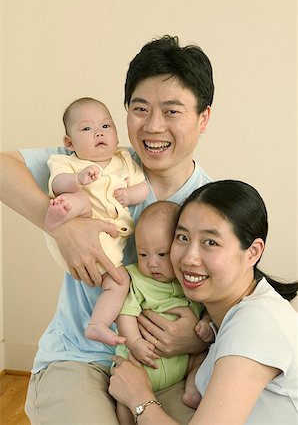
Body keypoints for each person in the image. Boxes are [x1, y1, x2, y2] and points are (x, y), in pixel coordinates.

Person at [0, 35, 215, 424]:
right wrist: (63, 229)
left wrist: (199, 336)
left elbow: (232, 293)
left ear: (203, 117)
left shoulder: (214, 203)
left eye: (171, 111)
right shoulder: (101, 162)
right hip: (79, 358)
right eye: (139, 108)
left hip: (169, 366)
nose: (153, 126)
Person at [109, 180, 298, 425]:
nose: (189, 258)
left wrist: (139, 398)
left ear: (252, 252)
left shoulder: (256, 323)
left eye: (210, 242)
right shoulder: (224, 317)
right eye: (182, 237)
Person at [44, 97, 149, 346]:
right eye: (87, 128)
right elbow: (57, 183)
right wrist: (78, 179)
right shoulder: (67, 161)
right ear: (69, 142)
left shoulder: (124, 159)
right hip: (74, 231)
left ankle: (97, 324)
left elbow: (142, 187)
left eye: (106, 126)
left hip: (110, 241)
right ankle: (54, 219)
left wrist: (130, 195)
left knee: (119, 282)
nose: (98, 133)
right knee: (79, 199)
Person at [115, 200, 214, 424]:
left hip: (181, 363)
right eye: (142, 254)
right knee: (124, 393)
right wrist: (135, 343)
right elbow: (125, 314)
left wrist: (206, 322)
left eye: (162, 254)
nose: (152, 264)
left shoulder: (189, 279)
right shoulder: (136, 279)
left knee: (204, 357)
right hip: (142, 359)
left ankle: (192, 387)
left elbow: (207, 307)